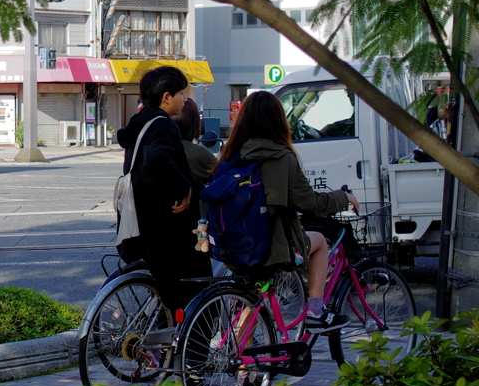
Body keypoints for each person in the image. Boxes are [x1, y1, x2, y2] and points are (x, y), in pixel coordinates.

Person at [216, 90, 359, 331]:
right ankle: (316, 309)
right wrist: (343, 198)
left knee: (255, 296)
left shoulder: (229, 155)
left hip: (232, 246)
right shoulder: (282, 158)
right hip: (270, 248)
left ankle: (241, 365)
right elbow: (310, 203)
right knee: (321, 242)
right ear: (278, 120)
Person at [117, 66, 211, 317]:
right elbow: (157, 159)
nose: (185, 99)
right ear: (166, 97)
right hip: (169, 229)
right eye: (181, 93)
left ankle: (164, 348)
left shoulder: (140, 124)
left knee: (169, 294)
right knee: (195, 291)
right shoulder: (163, 125)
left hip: (145, 226)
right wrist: (184, 188)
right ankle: (193, 352)